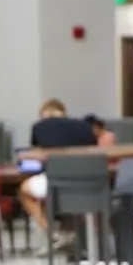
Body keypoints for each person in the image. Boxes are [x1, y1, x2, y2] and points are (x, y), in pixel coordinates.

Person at [18, 99, 96, 254]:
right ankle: (80, 240)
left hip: (55, 183)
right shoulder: (85, 127)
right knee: (71, 200)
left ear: (44, 115)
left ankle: (54, 233)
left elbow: (37, 153)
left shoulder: (39, 127)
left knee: (25, 191)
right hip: (86, 185)